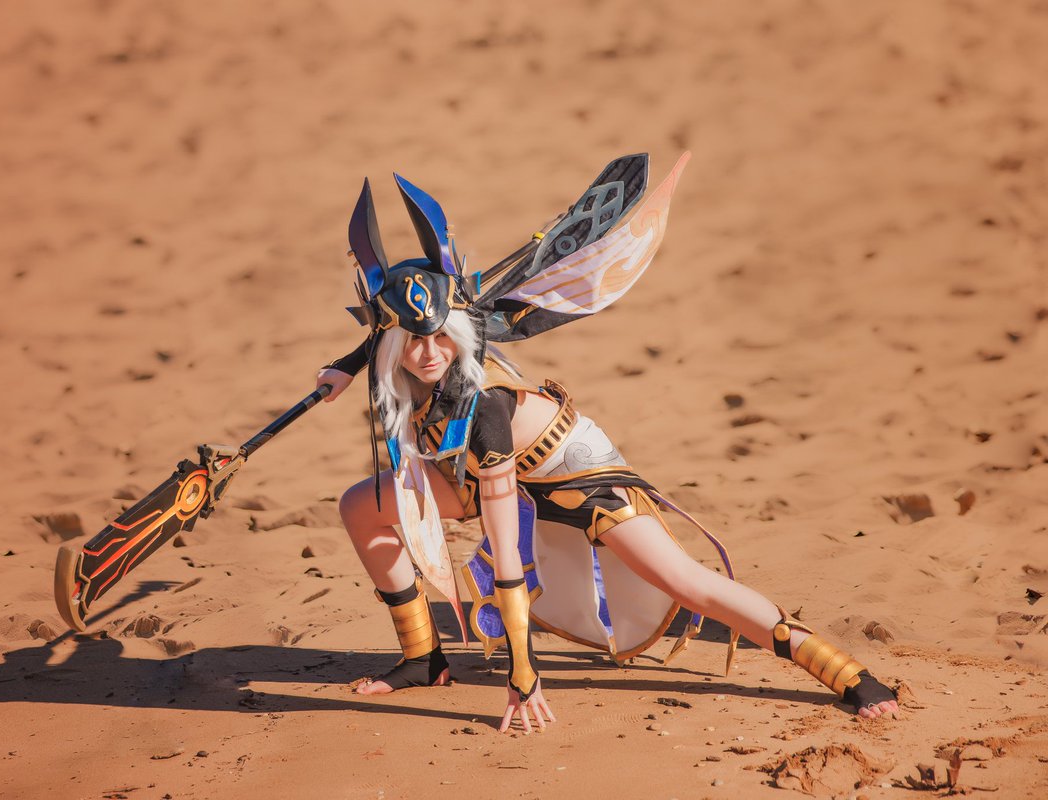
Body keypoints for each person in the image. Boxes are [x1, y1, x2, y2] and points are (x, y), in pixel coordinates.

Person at [315, 156, 899, 734]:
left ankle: (842, 671)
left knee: (685, 582)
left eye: (442, 336)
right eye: (410, 342)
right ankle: (423, 657)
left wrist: (524, 673)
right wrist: (344, 366)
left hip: (572, 471)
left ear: (460, 328)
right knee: (361, 506)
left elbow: (507, 553)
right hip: (481, 468)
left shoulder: (487, 404)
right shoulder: (403, 356)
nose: (428, 353)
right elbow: (394, 336)